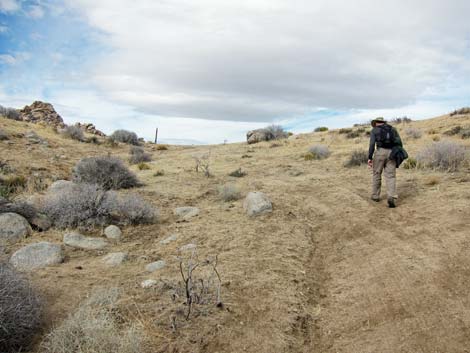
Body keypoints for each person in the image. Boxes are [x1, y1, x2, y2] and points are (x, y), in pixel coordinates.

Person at [367, 117, 403, 208]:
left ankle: (375, 196)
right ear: (383, 122)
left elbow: (371, 144)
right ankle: (391, 196)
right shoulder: (392, 129)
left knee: (377, 173)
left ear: (375, 123)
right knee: (391, 176)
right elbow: (399, 142)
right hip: (391, 153)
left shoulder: (374, 130)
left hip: (380, 153)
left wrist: (369, 157)